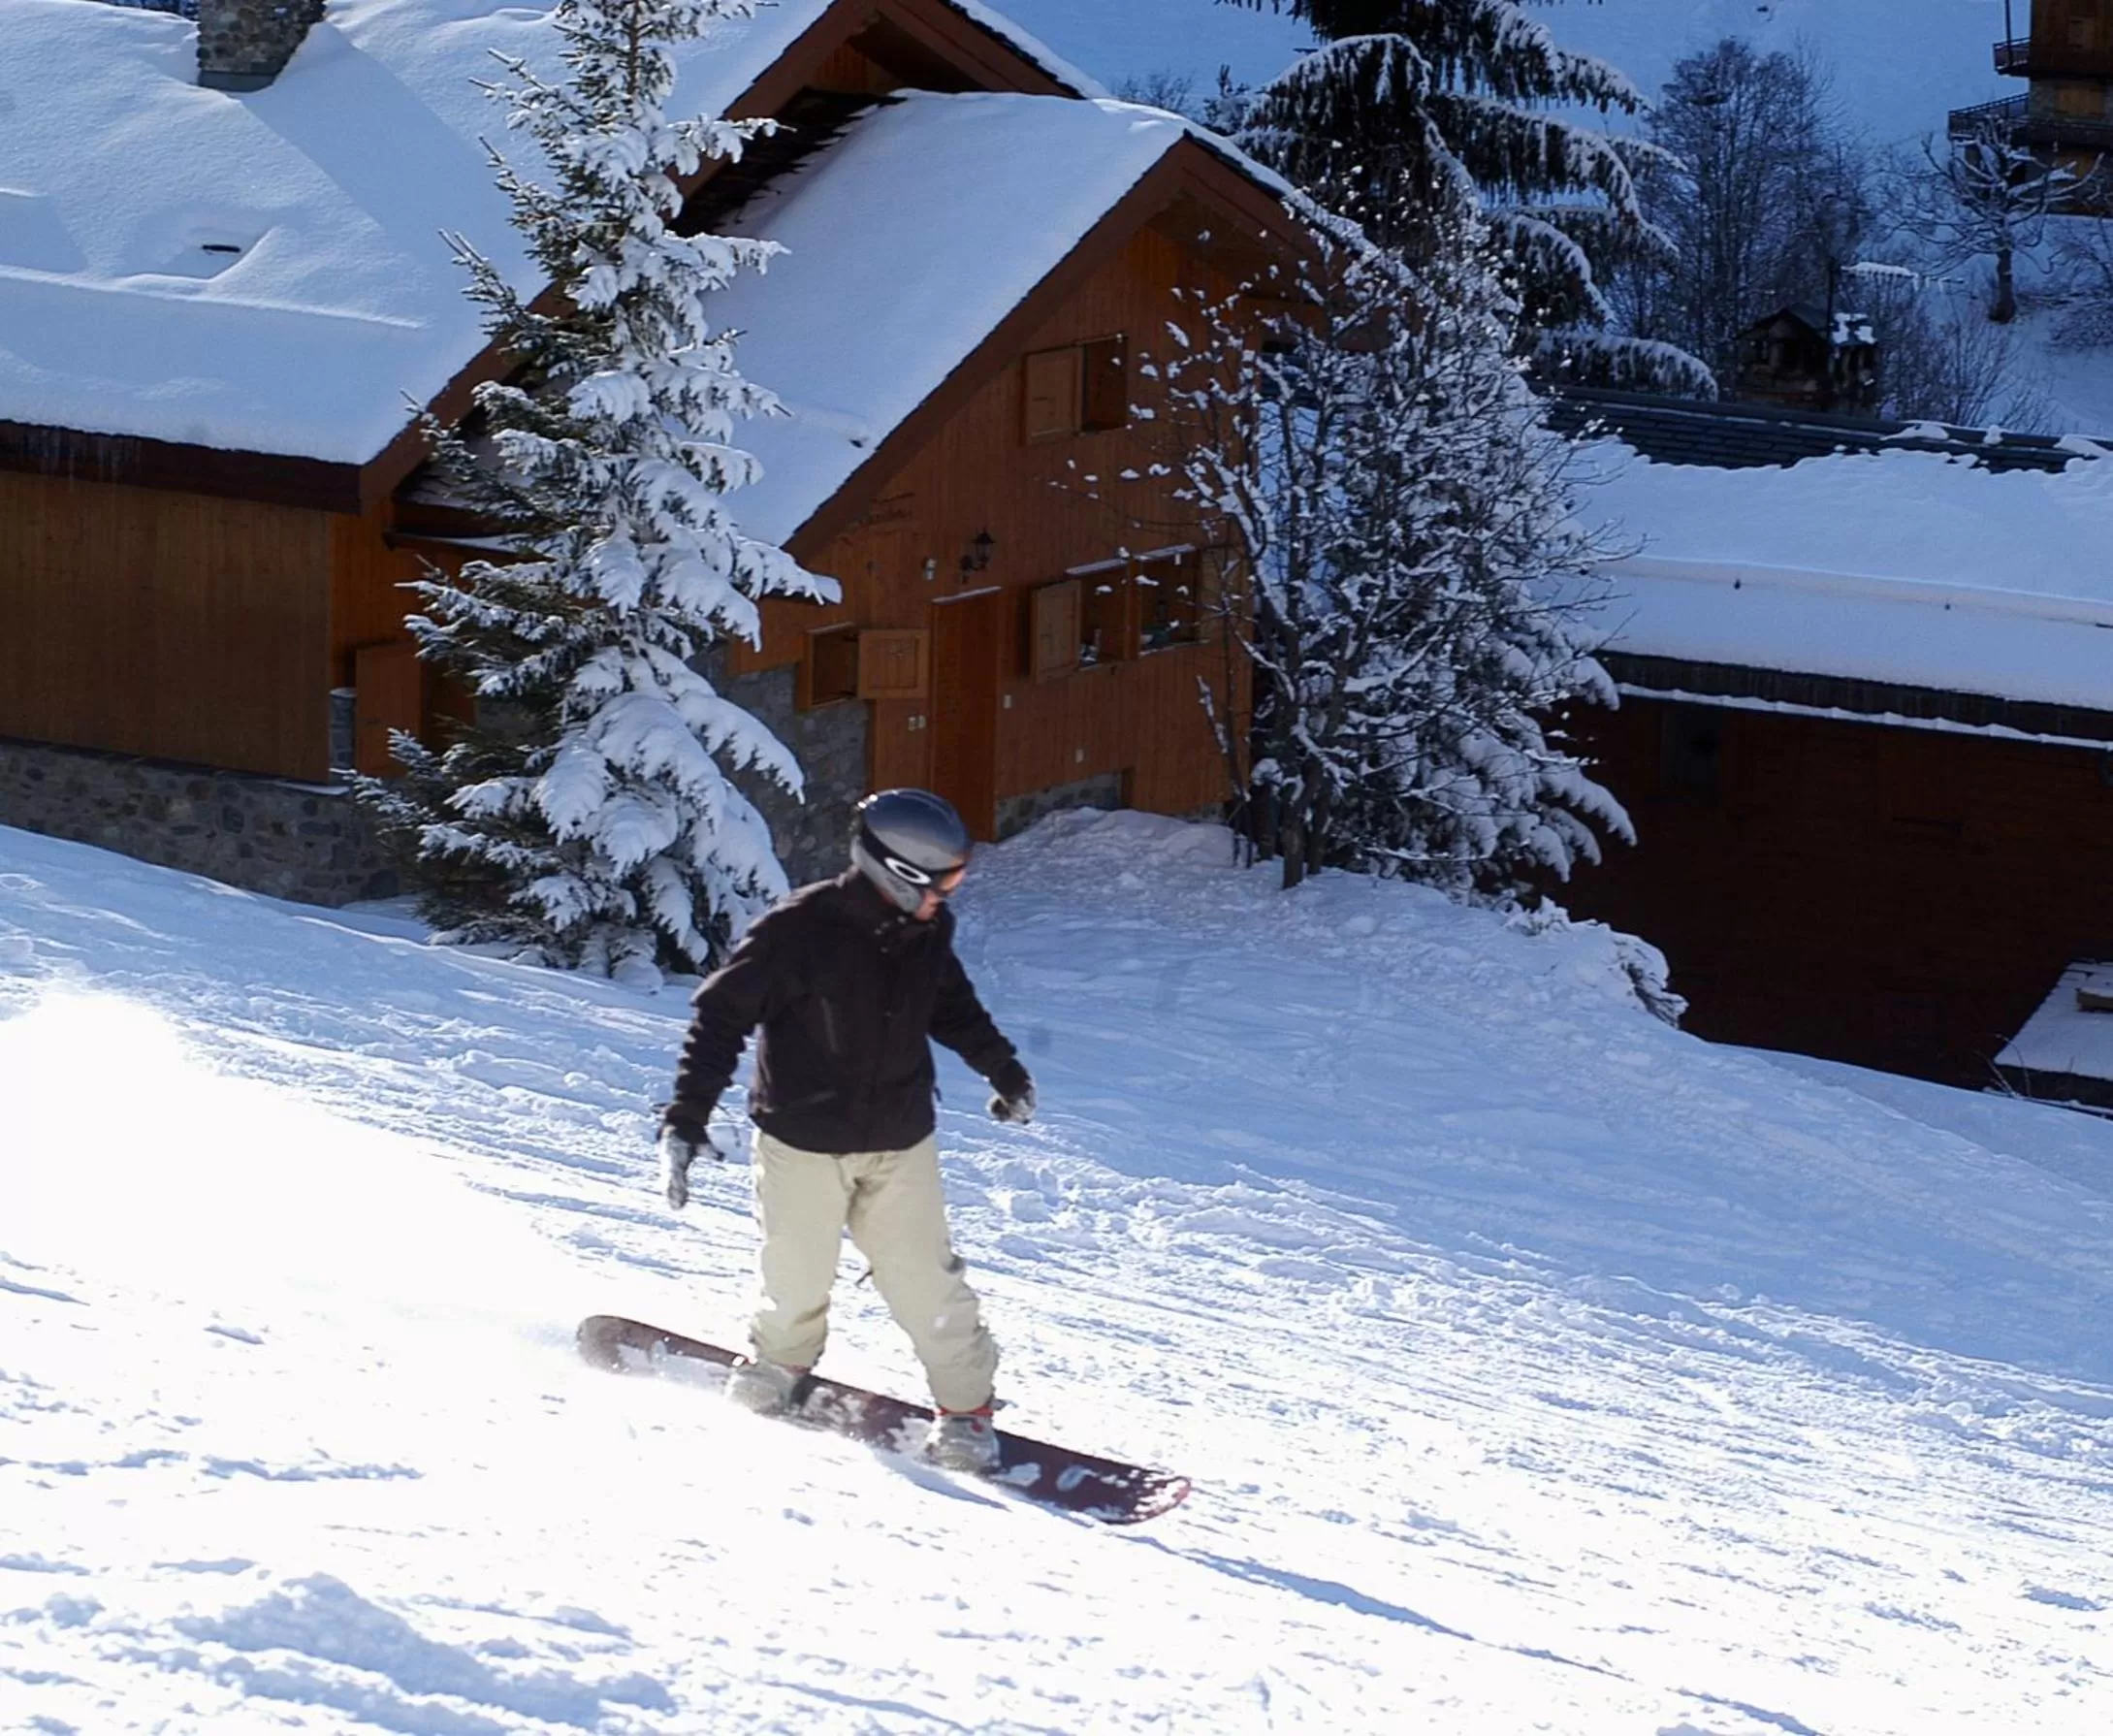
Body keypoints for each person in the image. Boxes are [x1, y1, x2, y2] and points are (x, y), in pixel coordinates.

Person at [656, 788, 1036, 1473]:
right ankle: (777, 1365)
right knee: (795, 1274)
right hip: (802, 1138)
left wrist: (1002, 1069)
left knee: (927, 1283)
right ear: (898, 872)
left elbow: (948, 1004)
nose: (949, 896)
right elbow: (719, 1018)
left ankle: (965, 1411)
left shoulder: (925, 932)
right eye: (944, 881)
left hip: (898, 1136)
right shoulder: (797, 932)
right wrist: (686, 1117)